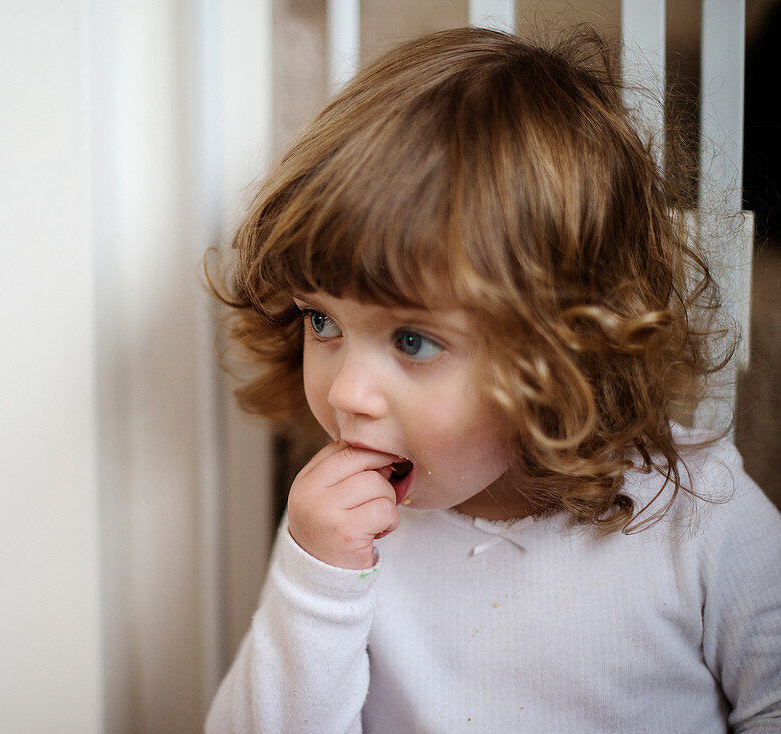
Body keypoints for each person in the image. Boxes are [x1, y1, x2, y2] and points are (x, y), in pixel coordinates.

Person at [204, 26, 781, 733]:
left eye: (412, 340)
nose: (347, 392)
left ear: (566, 349)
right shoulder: (337, 539)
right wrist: (315, 584)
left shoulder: (699, 508)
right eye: (322, 323)